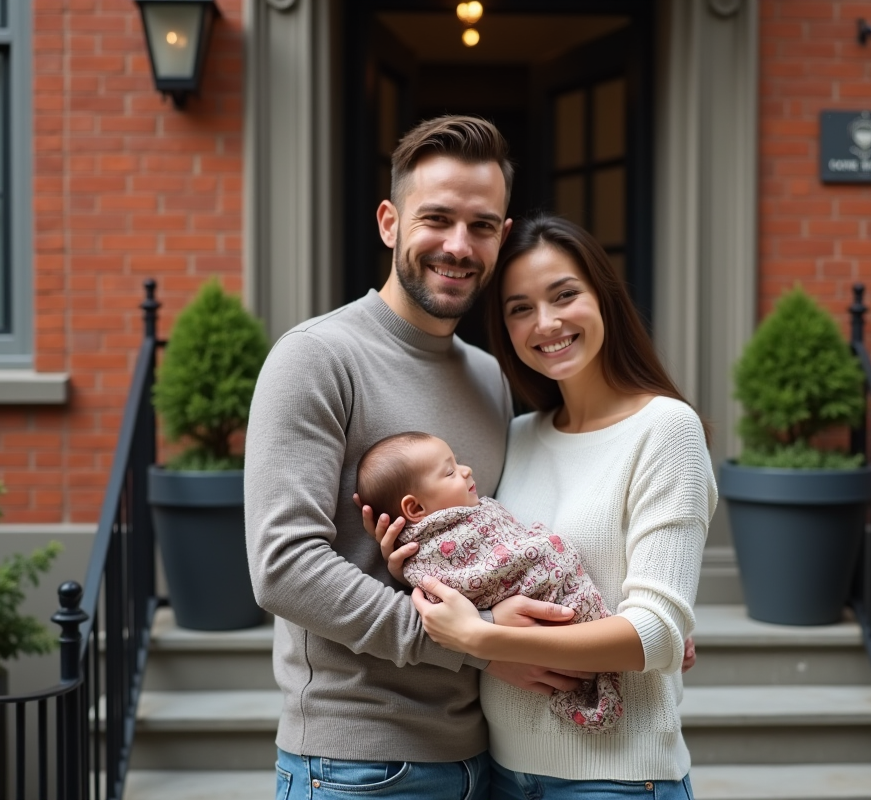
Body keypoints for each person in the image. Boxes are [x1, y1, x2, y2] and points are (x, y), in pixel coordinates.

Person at [244, 117, 592, 800]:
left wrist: (630, 625)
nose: (459, 246)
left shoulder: (492, 378)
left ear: (501, 235)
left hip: (483, 754)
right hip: (354, 764)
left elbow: (501, 541)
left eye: (483, 226)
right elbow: (282, 569)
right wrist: (481, 643)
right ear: (389, 222)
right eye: (437, 218)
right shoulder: (316, 358)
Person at [374, 214, 717, 799]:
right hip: (500, 770)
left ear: (602, 297)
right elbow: (489, 566)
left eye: (564, 296)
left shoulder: (666, 429)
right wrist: (412, 557)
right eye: (520, 308)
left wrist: (482, 641)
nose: (547, 323)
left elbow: (654, 636)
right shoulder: (520, 436)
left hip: (617, 777)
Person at [355, 431, 622, 731]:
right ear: (415, 509)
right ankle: (617, 644)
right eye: (450, 471)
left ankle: (620, 643)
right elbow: (467, 581)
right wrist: (489, 624)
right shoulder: (427, 551)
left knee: (617, 642)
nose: (466, 469)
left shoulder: (472, 511)